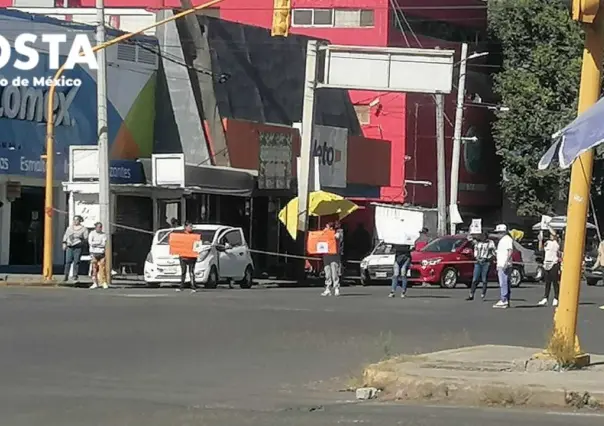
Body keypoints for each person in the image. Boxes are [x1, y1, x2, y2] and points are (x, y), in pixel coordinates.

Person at [466, 232, 496, 301]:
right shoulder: (477, 243)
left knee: (484, 279)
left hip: (486, 262)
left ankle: (483, 294)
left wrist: (491, 257)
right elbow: (471, 242)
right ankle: (471, 294)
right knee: (475, 279)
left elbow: (493, 251)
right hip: (478, 261)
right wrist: (476, 257)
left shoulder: (490, 242)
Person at [538, 230, 561, 307]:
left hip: (554, 263)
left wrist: (547, 226)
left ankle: (556, 298)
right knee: (547, 282)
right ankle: (545, 298)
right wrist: (540, 240)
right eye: (550, 235)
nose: (551, 236)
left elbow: (555, 233)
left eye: (552, 235)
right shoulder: (547, 243)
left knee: (555, 281)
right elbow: (540, 249)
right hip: (546, 263)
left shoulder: (556, 243)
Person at [62, 215, 89, 282]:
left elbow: (86, 238)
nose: (75, 221)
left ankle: (75, 275)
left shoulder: (83, 229)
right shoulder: (69, 228)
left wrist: (80, 242)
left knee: (76, 261)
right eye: (74, 219)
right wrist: (64, 243)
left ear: (80, 220)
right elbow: (65, 235)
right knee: (68, 261)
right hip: (70, 246)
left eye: (77, 220)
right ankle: (66, 275)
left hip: (78, 246)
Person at [493, 224, 514, 309]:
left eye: (499, 232)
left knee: (503, 282)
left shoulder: (507, 239)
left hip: (504, 264)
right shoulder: (503, 240)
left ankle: (504, 300)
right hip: (501, 263)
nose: (498, 234)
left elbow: (510, 251)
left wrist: (506, 262)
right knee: (505, 282)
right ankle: (506, 300)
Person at [321, 222, 343, 297]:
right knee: (327, 272)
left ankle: (336, 288)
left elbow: (337, 237)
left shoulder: (337, 232)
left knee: (334, 272)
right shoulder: (325, 233)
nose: (326, 228)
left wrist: (331, 233)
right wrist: (325, 232)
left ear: (331, 227)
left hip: (334, 255)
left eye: (327, 226)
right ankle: (328, 288)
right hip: (326, 254)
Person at [177, 221, 198, 293]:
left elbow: (197, 245)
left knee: (191, 272)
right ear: (185, 227)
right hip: (183, 256)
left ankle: (193, 286)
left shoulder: (194, 235)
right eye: (189, 226)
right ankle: (181, 286)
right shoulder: (181, 235)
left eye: (191, 226)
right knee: (183, 271)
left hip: (192, 256)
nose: (191, 228)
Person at [88, 222, 108, 289]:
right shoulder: (92, 233)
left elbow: (103, 244)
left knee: (102, 268)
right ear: (95, 227)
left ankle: (103, 282)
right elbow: (90, 243)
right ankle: (95, 282)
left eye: (100, 227)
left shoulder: (103, 234)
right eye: (98, 227)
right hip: (93, 253)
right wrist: (98, 243)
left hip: (101, 253)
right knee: (94, 268)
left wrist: (96, 244)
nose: (99, 228)